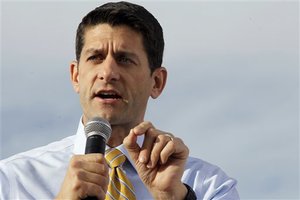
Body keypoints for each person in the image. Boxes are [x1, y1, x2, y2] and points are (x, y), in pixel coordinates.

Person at [0, 1, 239, 199]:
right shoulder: (12, 181)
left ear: (156, 82)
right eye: (95, 57)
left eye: (124, 59)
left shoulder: (207, 185)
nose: (108, 72)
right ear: (75, 76)